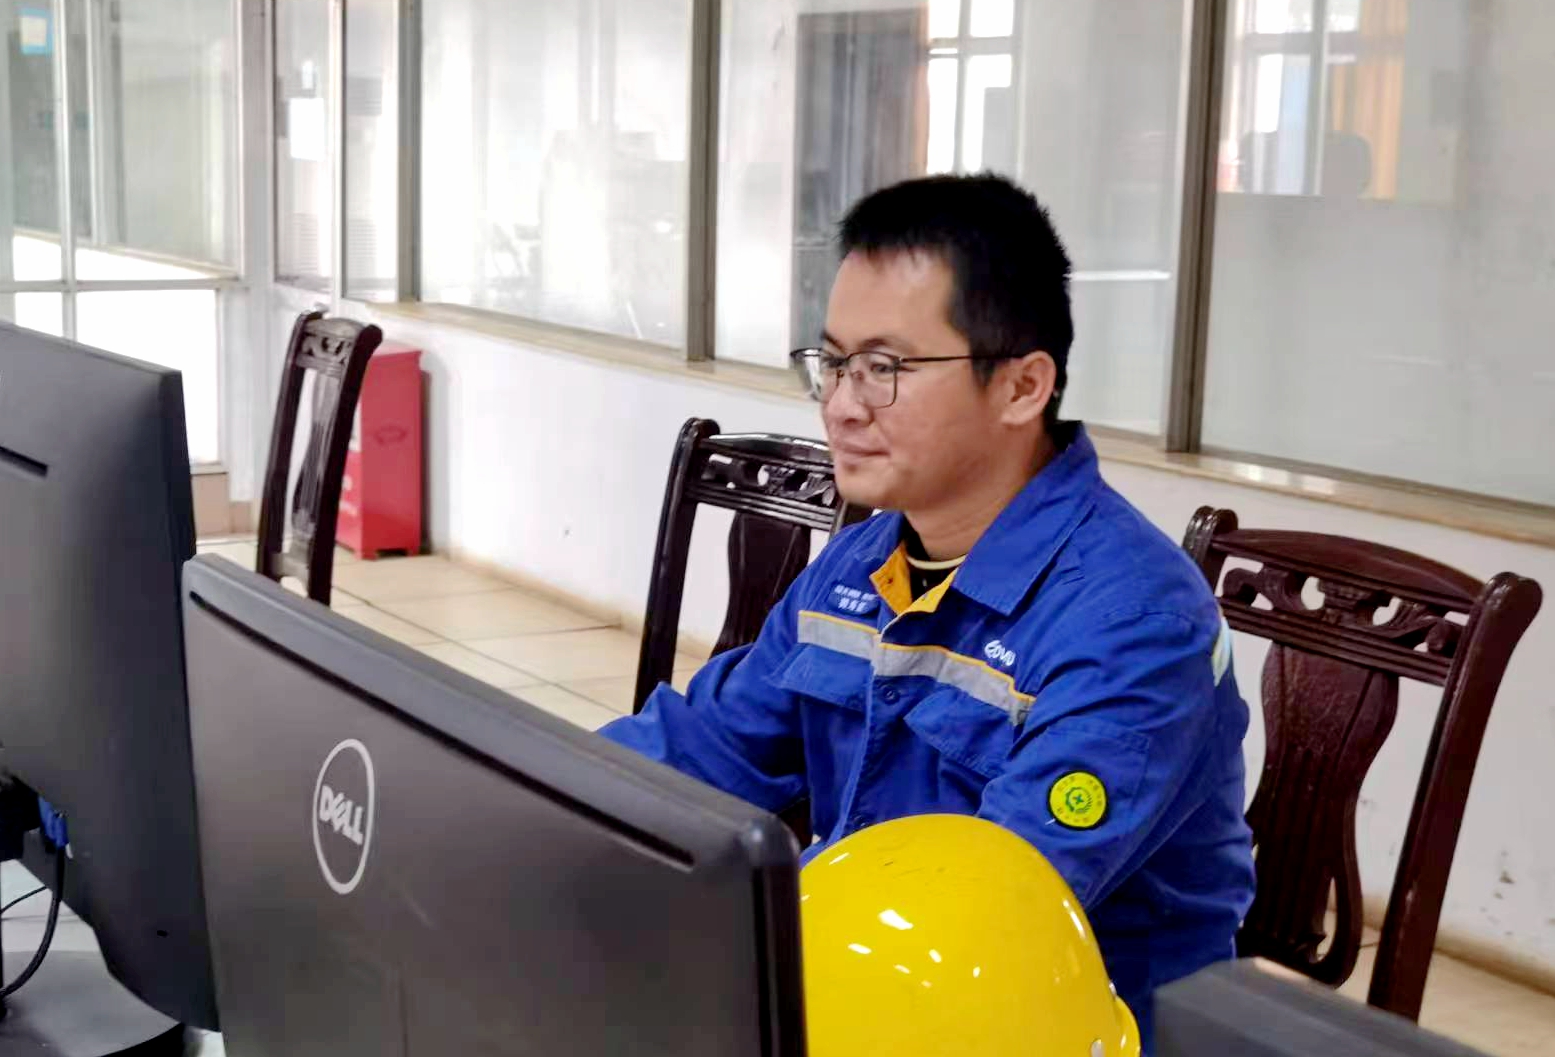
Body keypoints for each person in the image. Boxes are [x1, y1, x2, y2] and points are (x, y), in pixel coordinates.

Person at [600, 173, 1255, 1049]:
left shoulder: (1136, 622)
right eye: (833, 363)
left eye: (884, 368)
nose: (842, 405)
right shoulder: (863, 563)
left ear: (1021, 387)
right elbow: (701, 749)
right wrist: (541, 808)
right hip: (878, 988)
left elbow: (980, 917)